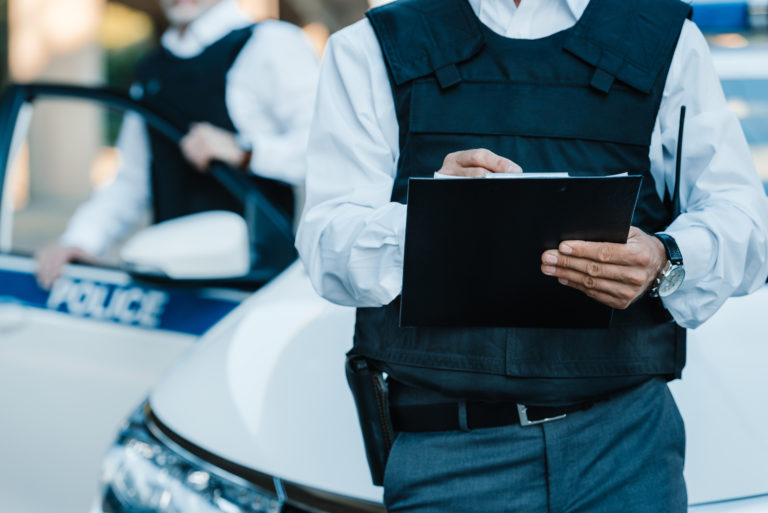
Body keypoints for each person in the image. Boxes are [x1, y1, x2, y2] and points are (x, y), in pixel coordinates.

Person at [296, 0, 768, 511]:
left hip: (627, 447)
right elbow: (325, 247)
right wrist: (431, 221)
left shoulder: (668, 39)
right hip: (450, 459)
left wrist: (665, 257)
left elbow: (746, 223)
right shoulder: (373, 46)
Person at [35, 0, 318, 288]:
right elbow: (133, 180)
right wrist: (79, 240)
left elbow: (323, 152)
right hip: (170, 286)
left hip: (254, 288)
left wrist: (244, 152)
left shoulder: (271, 44)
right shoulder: (153, 68)